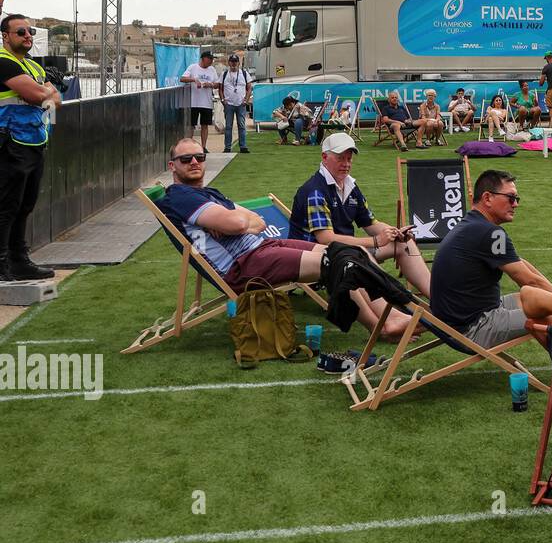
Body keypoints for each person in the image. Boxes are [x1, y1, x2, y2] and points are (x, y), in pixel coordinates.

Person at [156, 138, 413, 341]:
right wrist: (235, 223)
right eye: (185, 158)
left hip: (262, 247)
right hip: (244, 265)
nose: (194, 162)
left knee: (342, 252)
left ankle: (393, 314)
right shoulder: (180, 196)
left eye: (199, 157)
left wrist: (237, 224)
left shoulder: (207, 192)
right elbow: (238, 221)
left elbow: (256, 221)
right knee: (341, 264)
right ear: (172, 166)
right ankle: (382, 327)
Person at [424, 169, 552, 347]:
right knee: (550, 313)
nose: (516, 204)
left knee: (538, 300)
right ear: (487, 198)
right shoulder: (490, 232)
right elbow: (530, 281)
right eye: (511, 198)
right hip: (472, 328)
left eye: (517, 199)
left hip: (455, 323)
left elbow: (523, 266)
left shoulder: (473, 224)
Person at [290, 131, 430, 274]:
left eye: (349, 159)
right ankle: (390, 293)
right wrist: (375, 241)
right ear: (324, 158)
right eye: (340, 159)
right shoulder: (315, 190)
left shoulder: (350, 185)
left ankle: (434, 294)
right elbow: (326, 239)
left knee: (405, 244)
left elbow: (370, 223)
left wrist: (396, 233)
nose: (346, 164)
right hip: (313, 257)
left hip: (343, 251)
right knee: (361, 254)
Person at [0, 13, 58, 281]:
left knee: (25, 204)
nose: (27, 36)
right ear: (6, 36)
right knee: (7, 206)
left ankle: (19, 260)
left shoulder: (33, 67)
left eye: (30, 32)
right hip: (10, 144)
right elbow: (38, 95)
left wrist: (45, 92)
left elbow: (55, 99)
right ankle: (2, 265)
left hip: (34, 142)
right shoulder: (4, 63)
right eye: (21, 32)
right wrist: (45, 91)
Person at [180, 50, 219, 152]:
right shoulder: (193, 67)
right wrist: (194, 80)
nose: (211, 61)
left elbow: (217, 84)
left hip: (207, 102)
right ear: (203, 58)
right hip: (194, 102)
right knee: (192, 125)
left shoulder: (212, 70)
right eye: (209, 59)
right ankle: (189, 147)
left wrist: (210, 84)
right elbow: (182, 78)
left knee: (205, 125)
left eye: (212, 59)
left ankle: (204, 147)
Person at [218, 53, 252, 155]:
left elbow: (249, 87)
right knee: (228, 126)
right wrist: (223, 100)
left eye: (235, 62)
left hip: (240, 104)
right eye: (232, 62)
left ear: (238, 63)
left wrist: (246, 100)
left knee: (241, 126)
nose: (233, 64)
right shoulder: (224, 74)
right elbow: (220, 88)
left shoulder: (244, 74)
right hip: (229, 104)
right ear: (229, 63)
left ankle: (243, 146)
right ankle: (227, 147)